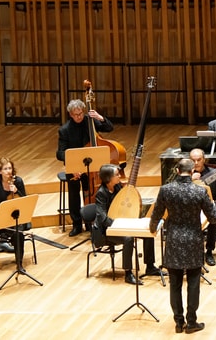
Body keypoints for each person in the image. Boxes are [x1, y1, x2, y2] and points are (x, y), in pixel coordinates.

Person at [150, 158, 216, 334]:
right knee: (193, 283)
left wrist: (152, 228)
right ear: (192, 172)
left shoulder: (166, 190)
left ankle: (178, 322)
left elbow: (156, 214)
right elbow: (214, 217)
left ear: (177, 171)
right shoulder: (199, 191)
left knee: (175, 284)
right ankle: (191, 322)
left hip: (174, 240)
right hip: (193, 241)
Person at [93, 164, 162, 285]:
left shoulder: (117, 187)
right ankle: (128, 273)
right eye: (117, 175)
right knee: (128, 238)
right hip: (106, 231)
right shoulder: (101, 193)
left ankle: (150, 266)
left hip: (121, 224)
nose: (119, 176)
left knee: (148, 232)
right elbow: (102, 218)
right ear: (109, 178)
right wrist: (121, 225)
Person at [56, 99, 114, 237]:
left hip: (92, 166)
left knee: (91, 192)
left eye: (81, 113)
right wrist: (73, 164)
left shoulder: (90, 121)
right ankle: (77, 224)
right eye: (76, 114)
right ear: (71, 114)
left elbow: (109, 128)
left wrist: (100, 118)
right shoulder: (65, 130)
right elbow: (60, 153)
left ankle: (91, 222)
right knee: (74, 194)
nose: (79, 116)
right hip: (74, 167)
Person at [0, 158, 27, 276]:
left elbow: (25, 200)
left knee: (18, 233)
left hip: (16, 218)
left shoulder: (18, 181)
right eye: (5, 169)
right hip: (2, 218)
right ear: (0, 171)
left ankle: (19, 263)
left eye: (10, 168)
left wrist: (17, 191)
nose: (8, 171)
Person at [189, 147, 216, 267]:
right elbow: (176, 188)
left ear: (204, 159)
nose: (196, 163)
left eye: (199, 160)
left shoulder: (213, 174)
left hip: (209, 207)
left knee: (213, 220)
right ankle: (194, 252)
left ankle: (209, 251)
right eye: (193, 160)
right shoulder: (185, 174)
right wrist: (189, 179)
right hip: (191, 208)